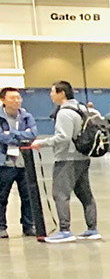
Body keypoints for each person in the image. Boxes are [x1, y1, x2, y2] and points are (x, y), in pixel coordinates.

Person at [43, 81, 100, 243]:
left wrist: (42, 143)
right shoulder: (82, 108)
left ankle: (64, 230)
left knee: (60, 194)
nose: (51, 95)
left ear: (62, 93)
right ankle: (92, 228)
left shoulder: (64, 113)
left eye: (52, 91)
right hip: (83, 157)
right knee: (85, 194)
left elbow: (63, 137)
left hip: (67, 158)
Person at [0, 86, 41, 237]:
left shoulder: (26, 116)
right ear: (3, 100)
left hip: (24, 162)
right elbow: (1, 137)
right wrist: (21, 137)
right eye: (12, 98)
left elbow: (33, 134)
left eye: (18, 98)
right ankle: (1, 227)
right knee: (2, 196)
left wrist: (12, 134)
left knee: (28, 195)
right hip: (5, 163)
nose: (16, 101)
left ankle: (29, 225)